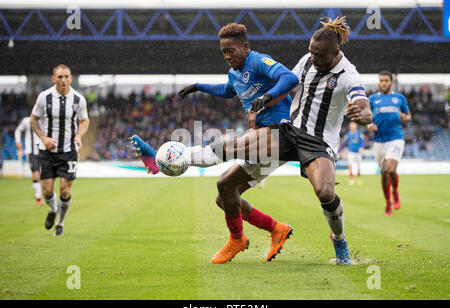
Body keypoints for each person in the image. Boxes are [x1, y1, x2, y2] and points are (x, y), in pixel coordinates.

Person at [133, 16, 373, 265]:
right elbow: (283, 87)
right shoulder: (305, 61)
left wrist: (364, 113)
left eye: (318, 55)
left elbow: (362, 102)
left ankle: (339, 240)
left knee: (324, 192)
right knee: (226, 183)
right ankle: (175, 161)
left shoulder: (349, 75)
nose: (313, 58)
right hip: (289, 132)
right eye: (311, 52)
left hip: (318, 142)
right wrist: (259, 105)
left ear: (336, 52)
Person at [132, 22, 299, 263]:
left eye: (231, 50)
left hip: (279, 134)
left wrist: (268, 97)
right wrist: (199, 86)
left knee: (224, 176)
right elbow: (228, 90)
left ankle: (237, 239)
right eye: (223, 52)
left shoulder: (259, 61)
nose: (227, 56)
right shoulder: (235, 73)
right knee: (225, 197)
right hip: (262, 140)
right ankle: (276, 229)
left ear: (245, 46)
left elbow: (290, 78)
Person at [30, 64, 89, 236]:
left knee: (65, 190)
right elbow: (34, 120)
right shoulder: (44, 97)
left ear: (71, 78)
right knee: (47, 191)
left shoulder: (78, 100)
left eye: (66, 76)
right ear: (53, 78)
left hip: (69, 149)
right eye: (60, 77)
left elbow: (85, 120)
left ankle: (61, 223)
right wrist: (44, 138)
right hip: (47, 150)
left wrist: (79, 136)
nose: (63, 80)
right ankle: (53, 209)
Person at [367, 71, 411, 216]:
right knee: (384, 174)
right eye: (381, 80)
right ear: (379, 83)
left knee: (391, 170)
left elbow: (408, 116)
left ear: (391, 83)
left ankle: (395, 193)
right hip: (379, 141)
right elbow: (366, 118)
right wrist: (368, 125)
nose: (384, 83)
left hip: (395, 138)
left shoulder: (399, 98)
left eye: (386, 80)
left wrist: (405, 117)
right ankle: (388, 202)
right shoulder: (372, 99)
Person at [15, 116, 43, 205]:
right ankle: (38, 198)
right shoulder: (27, 121)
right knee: (36, 174)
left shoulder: (47, 120)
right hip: (31, 152)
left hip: (44, 151)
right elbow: (18, 131)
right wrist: (18, 142)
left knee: (44, 175)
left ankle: (46, 196)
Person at [340, 121, 365, 185]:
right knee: (350, 165)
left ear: (356, 126)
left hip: (358, 152)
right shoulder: (348, 134)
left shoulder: (359, 133)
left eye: (353, 125)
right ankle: (351, 179)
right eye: (351, 125)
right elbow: (344, 143)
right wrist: (341, 151)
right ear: (350, 127)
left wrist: (362, 147)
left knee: (358, 166)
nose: (352, 126)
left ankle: (358, 178)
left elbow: (362, 141)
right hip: (351, 152)